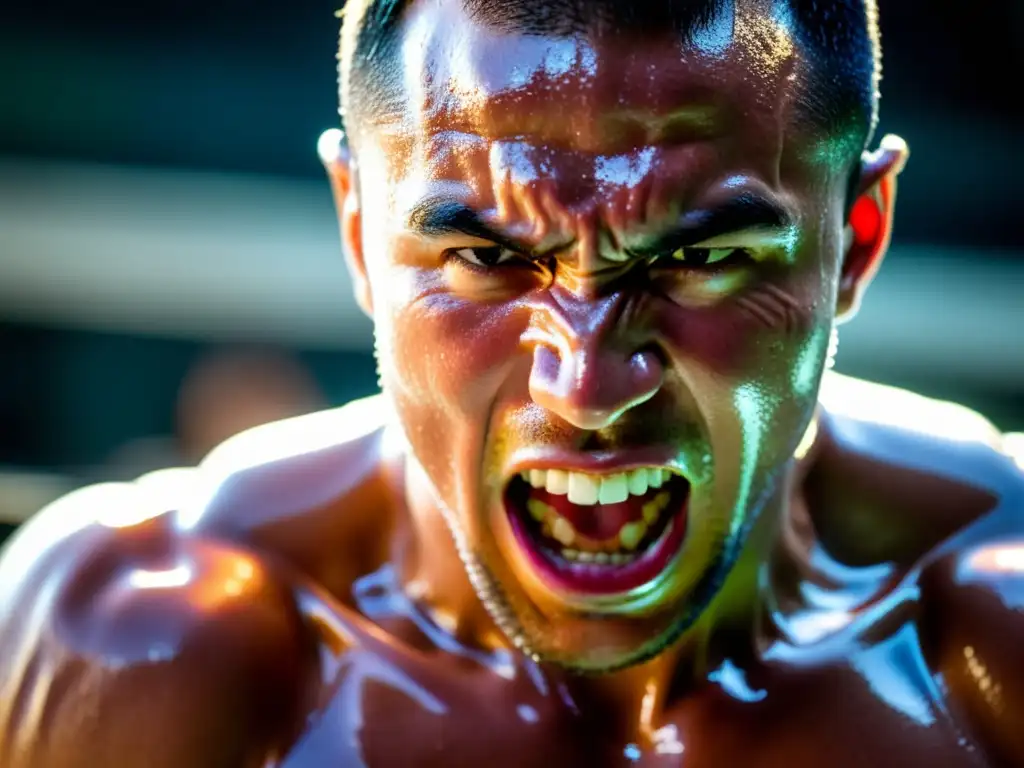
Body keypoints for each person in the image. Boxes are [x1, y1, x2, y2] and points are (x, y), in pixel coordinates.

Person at [1, 0, 1022, 765]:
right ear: (360, 232)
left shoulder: (994, 627)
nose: (583, 387)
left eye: (699, 260)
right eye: (488, 260)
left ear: (855, 240)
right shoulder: (138, 641)